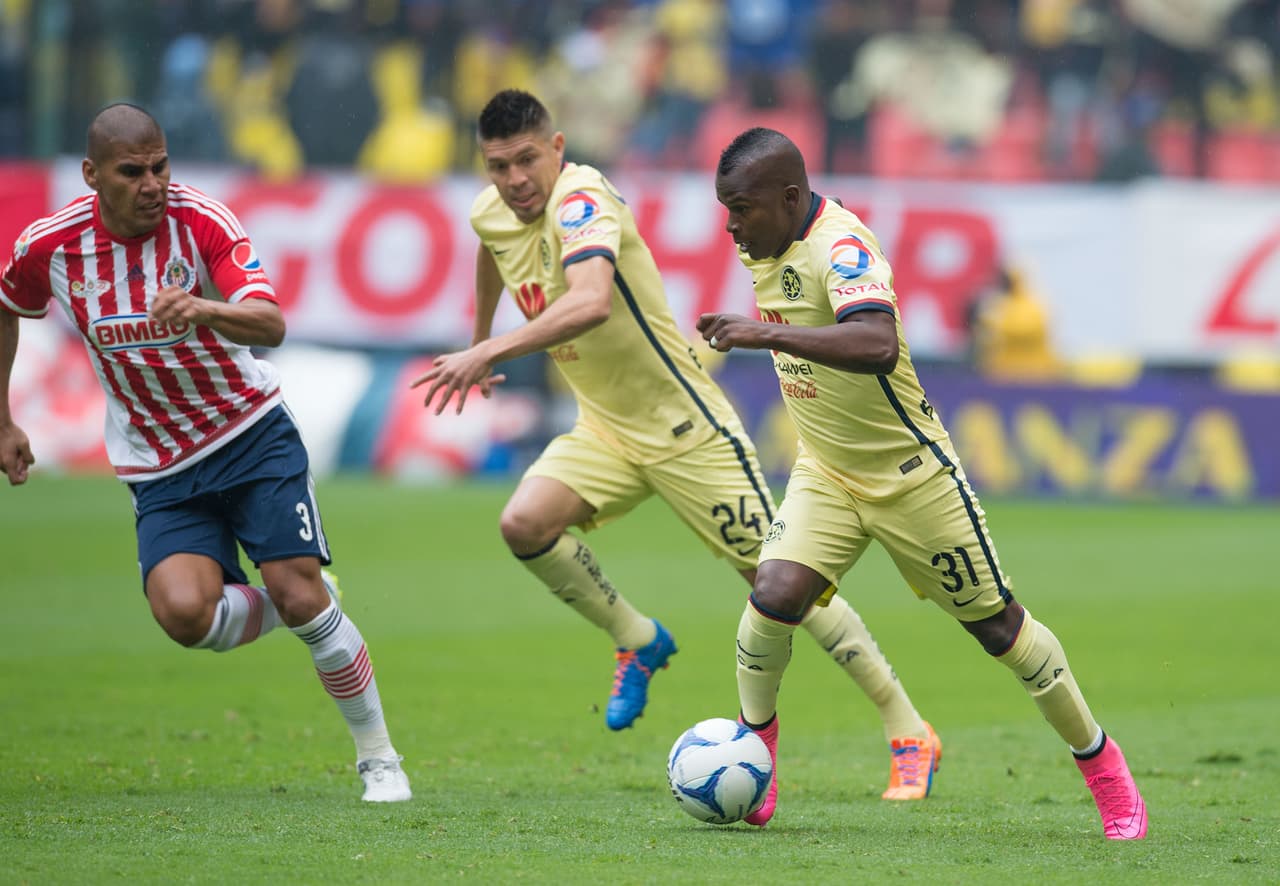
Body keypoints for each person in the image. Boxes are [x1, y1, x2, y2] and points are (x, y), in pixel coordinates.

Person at [411, 89, 942, 803]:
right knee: (524, 524)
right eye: (499, 165)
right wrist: (478, 333)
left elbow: (592, 298)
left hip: (687, 429)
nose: (514, 180)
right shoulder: (492, 209)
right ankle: (637, 637)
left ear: (558, 149)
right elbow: (489, 246)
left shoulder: (582, 200)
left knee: (788, 586)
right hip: (604, 428)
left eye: (527, 160)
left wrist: (489, 350)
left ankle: (908, 728)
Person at [697, 126, 1148, 838]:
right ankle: (758, 761)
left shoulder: (843, 247)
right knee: (773, 595)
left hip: (911, 476)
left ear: (789, 199)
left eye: (742, 209)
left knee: (998, 628)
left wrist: (766, 334)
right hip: (826, 471)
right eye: (725, 210)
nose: (730, 226)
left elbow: (877, 344)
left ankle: (1104, 767)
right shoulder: (769, 239)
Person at [0, 103, 410, 803]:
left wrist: (206, 307)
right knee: (185, 615)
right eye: (133, 172)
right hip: (159, 463)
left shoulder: (203, 221)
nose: (153, 183)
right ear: (93, 175)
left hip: (248, 435)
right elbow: (9, 304)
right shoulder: (52, 245)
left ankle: (379, 758)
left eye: (160, 166)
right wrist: (4, 418)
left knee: (302, 596)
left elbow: (272, 321)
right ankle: (293, 598)